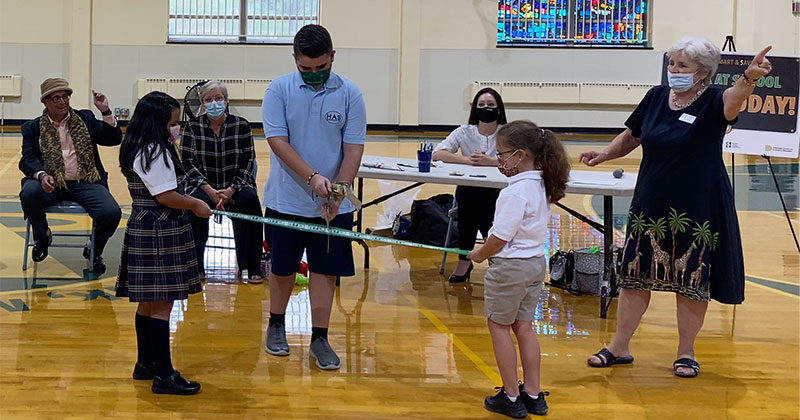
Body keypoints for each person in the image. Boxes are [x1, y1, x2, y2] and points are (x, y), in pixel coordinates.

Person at [581, 38, 773, 378]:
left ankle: (686, 353)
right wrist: (604, 154)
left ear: (703, 72)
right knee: (635, 277)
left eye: (682, 66)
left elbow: (735, 100)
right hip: (651, 201)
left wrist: (749, 77)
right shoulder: (656, 96)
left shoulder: (716, 100)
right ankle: (619, 346)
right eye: (672, 64)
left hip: (698, 203)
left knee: (691, 278)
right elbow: (632, 135)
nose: (674, 71)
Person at [261, 24, 366, 370]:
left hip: (331, 207)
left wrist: (340, 190)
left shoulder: (351, 94)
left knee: (325, 270)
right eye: (306, 69)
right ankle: (277, 324)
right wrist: (311, 177)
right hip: (286, 200)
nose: (314, 75)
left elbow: (352, 149)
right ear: (295, 60)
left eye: (321, 68)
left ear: (332, 57)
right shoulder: (279, 90)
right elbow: (278, 142)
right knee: (283, 268)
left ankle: (320, 337)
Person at [467, 120, 569, 418]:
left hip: (510, 268)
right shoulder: (542, 183)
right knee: (523, 327)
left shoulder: (513, 193)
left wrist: (479, 253)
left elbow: (499, 238)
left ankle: (511, 397)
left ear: (521, 154)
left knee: (499, 326)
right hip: (535, 265)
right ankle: (533, 394)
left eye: (502, 154)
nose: (498, 160)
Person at [116, 91, 211, 395]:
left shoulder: (139, 145)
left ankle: (146, 364)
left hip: (147, 226)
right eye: (173, 123)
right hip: (159, 229)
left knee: (147, 303)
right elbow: (165, 196)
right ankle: (164, 374)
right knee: (162, 305)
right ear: (158, 123)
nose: (177, 128)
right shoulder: (153, 151)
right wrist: (196, 204)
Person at [19, 78, 123, 272]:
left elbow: (113, 139)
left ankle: (94, 249)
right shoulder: (32, 128)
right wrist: (41, 175)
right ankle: (42, 236)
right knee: (29, 193)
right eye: (56, 98)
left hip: (85, 182)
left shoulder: (85, 119)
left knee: (111, 212)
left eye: (65, 97)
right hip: (51, 183)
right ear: (45, 102)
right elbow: (27, 159)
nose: (63, 102)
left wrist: (106, 111)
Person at [180, 80, 264, 283]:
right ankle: (195, 266)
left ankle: (251, 266)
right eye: (208, 100)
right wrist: (209, 190)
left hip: (236, 184)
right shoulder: (192, 127)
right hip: (203, 184)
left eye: (218, 98)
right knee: (194, 205)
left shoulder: (241, 125)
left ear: (226, 101)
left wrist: (231, 190)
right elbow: (188, 163)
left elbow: (248, 162)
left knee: (250, 201)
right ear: (202, 103)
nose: (214, 103)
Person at [432, 87, 507, 283]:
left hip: (500, 191)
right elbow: (437, 153)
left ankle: (491, 256)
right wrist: (467, 160)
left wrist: (491, 162)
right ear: (475, 109)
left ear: (499, 109)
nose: (486, 108)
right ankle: (466, 259)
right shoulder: (464, 132)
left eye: (491, 105)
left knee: (486, 204)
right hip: (469, 190)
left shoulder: (507, 133)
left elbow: (521, 160)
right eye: (481, 105)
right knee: (468, 198)